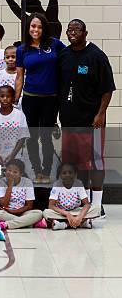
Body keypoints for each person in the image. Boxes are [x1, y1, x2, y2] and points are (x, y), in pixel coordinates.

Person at [58, 19, 115, 215]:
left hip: (92, 121)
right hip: (69, 121)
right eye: (70, 29)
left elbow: (108, 89)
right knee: (74, 162)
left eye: (77, 29)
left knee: (96, 161)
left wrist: (100, 114)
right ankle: (83, 203)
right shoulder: (64, 55)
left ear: (85, 32)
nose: (72, 32)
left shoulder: (97, 56)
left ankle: (98, 205)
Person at [15, 13, 66, 184]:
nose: (35, 30)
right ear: (28, 27)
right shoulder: (22, 49)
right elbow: (19, 76)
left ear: (44, 28)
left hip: (51, 99)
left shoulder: (55, 44)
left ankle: (46, 170)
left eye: (39, 27)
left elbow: (69, 60)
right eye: (32, 26)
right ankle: (37, 171)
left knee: (45, 137)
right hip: (30, 98)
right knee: (32, 137)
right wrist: (15, 99)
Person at [43, 163, 99, 230]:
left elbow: (86, 204)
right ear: (60, 175)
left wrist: (80, 217)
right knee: (46, 212)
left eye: (70, 173)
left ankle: (64, 224)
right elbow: (51, 206)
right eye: (64, 173)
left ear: (75, 174)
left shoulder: (78, 184)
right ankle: (82, 223)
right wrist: (67, 214)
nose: (67, 175)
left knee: (97, 209)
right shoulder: (57, 185)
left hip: (76, 211)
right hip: (62, 213)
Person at [0, 159, 45, 230]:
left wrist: (13, 211)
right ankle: (29, 223)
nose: (11, 173)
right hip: (5, 212)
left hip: (22, 212)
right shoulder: (1, 182)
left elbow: (29, 206)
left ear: (21, 174)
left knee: (39, 213)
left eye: (15, 172)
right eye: (9, 170)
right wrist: (10, 185)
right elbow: (3, 205)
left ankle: (6, 224)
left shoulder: (27, 182)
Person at [0, 86, 29, 165]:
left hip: (16, 157)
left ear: (13, 98)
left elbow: (22, 138)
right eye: (2, 96)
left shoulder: (20, 115)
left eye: (8, 96)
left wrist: (12, 155)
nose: (5, 99)